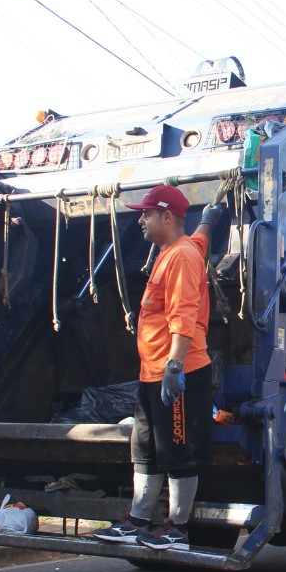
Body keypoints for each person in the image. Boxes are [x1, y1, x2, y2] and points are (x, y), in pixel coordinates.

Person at [93, 185, 222, 551]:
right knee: (146, 450)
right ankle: (138, 521)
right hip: (152, 373)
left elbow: (184, 315)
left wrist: (174, 366)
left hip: (179, 372)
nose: (141, 220)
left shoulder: (180, 257)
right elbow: (199, 237)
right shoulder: (177, 249)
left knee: (179, 452)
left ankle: (177, 528)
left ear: (167, 218)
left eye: (147, 214)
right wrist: (209, 220)